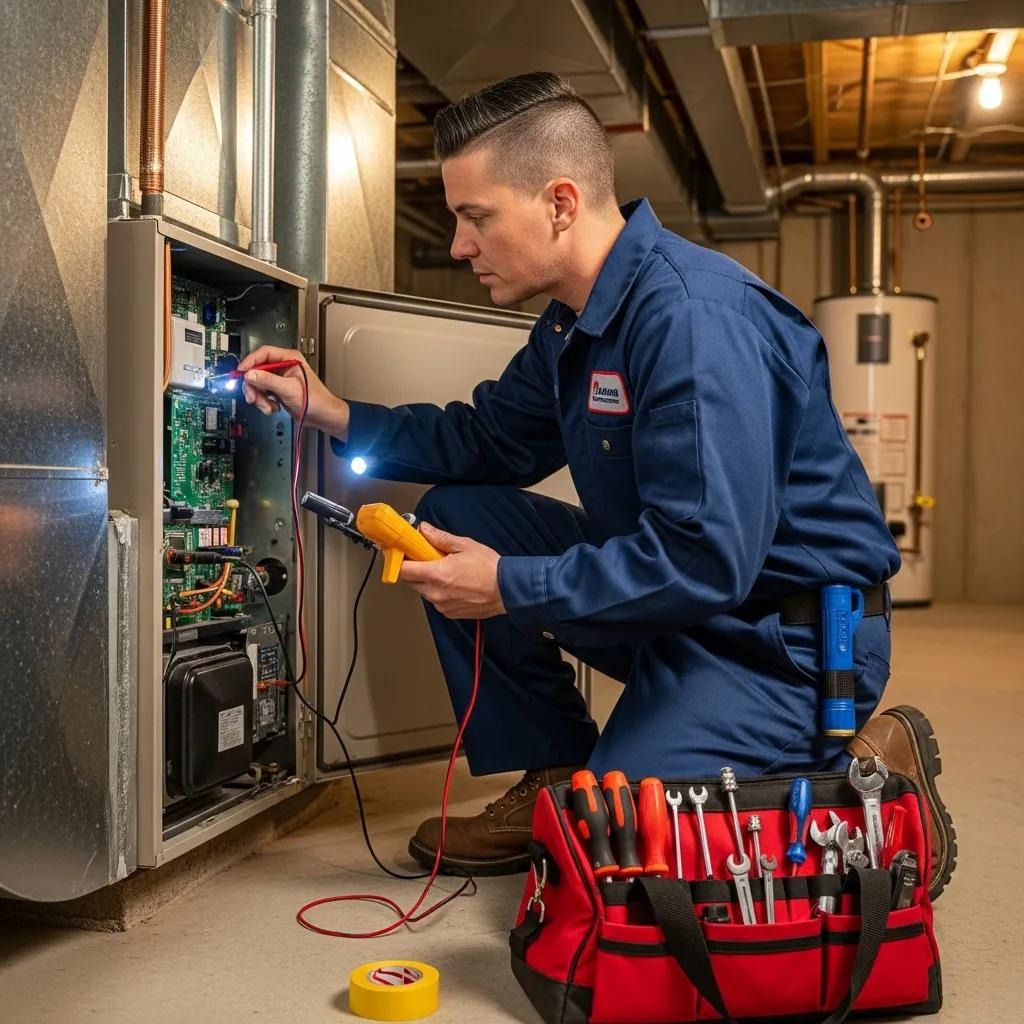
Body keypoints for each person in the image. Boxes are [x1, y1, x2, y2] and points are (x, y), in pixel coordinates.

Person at [238, 72, 955, 898]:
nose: (461, 245)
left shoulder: (691, 322)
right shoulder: (577, 321)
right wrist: (330, 410)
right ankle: (555, 768)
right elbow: (489, 439)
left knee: (609, 858)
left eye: (477, 217)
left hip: (779, 641)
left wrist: (508, 585)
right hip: (687, 609)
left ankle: (870, 770)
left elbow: (706, 558)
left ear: (560, 202)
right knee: (455, 515)